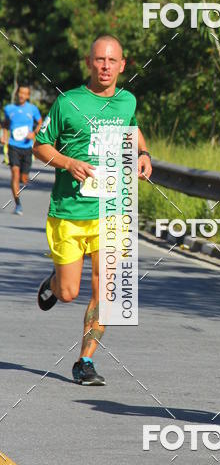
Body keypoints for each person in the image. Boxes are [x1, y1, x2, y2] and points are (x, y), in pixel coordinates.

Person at [33, 35, 152, 386]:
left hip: (112, 211)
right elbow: (41, 145)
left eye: (111, 61)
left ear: (122, 65)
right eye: (99, 60)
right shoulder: (68, 102)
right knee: (70, 292)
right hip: (69, 212)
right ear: (89, 62)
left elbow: (131, 131)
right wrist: (68, 163)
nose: (105, 66)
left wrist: (144, 154)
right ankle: (54, 285)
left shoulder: (126, 101)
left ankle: (85, 361)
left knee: (107, 291)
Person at [2, 84, 42, 215]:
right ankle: (18, 204)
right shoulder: (9, 109)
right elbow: (6, 124)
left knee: (24, 179)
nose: (22, 95)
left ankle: (21, 180)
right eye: (20, 92)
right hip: (13, 146)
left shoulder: (33, 109)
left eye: (25, 93)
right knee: (15, 173)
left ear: (28, 96)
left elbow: (41, 122)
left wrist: (34, 133)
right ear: (17, 93)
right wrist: (4, 136)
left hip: (27, 148)